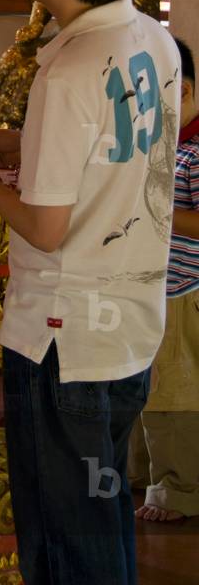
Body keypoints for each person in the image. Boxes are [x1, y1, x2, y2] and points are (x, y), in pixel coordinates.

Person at [0, 0, 181, 585]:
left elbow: (47, 229)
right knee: (102, 509)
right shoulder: (155, 42)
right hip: (130, 330)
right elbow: (118, 146)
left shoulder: (69, 70)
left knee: (61, 538)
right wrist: (24, 140)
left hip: (62, 340)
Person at [134, 36, 199, 523]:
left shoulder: (196, 151)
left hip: (183, 290)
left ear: (187, 92)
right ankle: (141, 475)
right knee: (145, 386)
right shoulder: (164, 148)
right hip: (153, 286)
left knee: (173, 391)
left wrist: (157, 210)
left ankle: (179, 490)